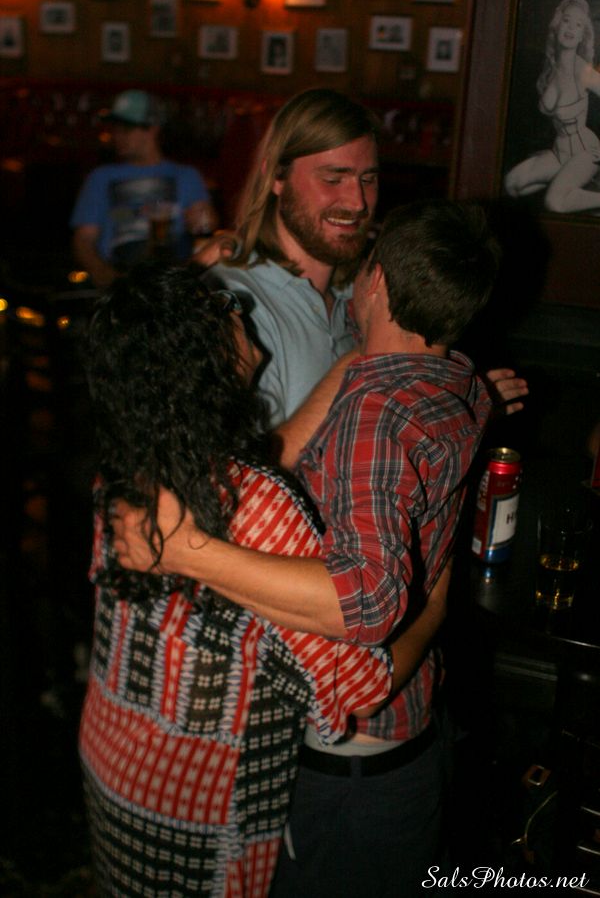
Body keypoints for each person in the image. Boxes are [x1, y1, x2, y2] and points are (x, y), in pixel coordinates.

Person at [114, 198, 500, 895]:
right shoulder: (461, 383)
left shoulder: (371, 418)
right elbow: (272, 462)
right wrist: (438, 600)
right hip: (408, 735)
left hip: (351, 761)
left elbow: (364, 609)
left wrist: (188, 551)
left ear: (374, 280)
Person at [80, 262, 411, 896]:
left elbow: (267, 454)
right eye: (224, 307)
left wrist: (355, 362)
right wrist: (439, 595)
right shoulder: (256, 502)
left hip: (115, 763)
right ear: (204, 358)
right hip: (196, 812)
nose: (240, 309)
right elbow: (362, 687)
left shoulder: (123, 475)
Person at [199, 88, 527, 431]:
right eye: (333, 178)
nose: (357, 202)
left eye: (368, 179)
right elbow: (233, 462)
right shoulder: (232, 303)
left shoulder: (368, 288)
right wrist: (368, 355)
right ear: (276, 177)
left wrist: (458, 409)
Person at [70, 90, 216, 289]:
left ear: (152, 129)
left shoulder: (186, 176)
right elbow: (84, 239)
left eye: (126, 129)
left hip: (171, 279)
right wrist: (103, 274)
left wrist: (203, 220)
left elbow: (205, 225)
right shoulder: (101, 177)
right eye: (115, 129)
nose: (117, 136)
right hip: (120, 275)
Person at [504, 0, 600, 214]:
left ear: (582, 35)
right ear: (556, 25)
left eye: (578, 25)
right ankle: (567, 182)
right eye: (566, 21)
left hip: (586, 152)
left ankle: (572, 189)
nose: (571, 28)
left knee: (554, 203)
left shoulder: (582, 70)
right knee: (512, 184)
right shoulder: (550, 67)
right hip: (560, 152)